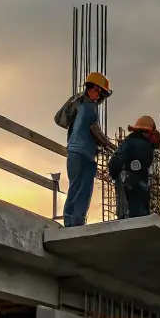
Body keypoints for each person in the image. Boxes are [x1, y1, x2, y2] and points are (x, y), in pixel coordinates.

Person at [62, 72, 112, 227]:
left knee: (75, 186)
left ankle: (70, 220)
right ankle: (77, 221)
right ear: (93, 89)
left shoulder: (79, 105)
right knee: (84, 188)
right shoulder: (90, 107)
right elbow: (94, 129)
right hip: (85, 154)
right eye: (99, 92)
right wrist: (108, 145)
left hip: (73, 152)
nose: (100, 97)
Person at [108, 115, 160, 220]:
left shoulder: (130, 143)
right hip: (139, 185)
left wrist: (114, 173)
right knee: (141, 217)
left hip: (129, 183)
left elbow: (115, 162)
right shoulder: (146, 146)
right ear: (145, 132)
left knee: (129, 217)